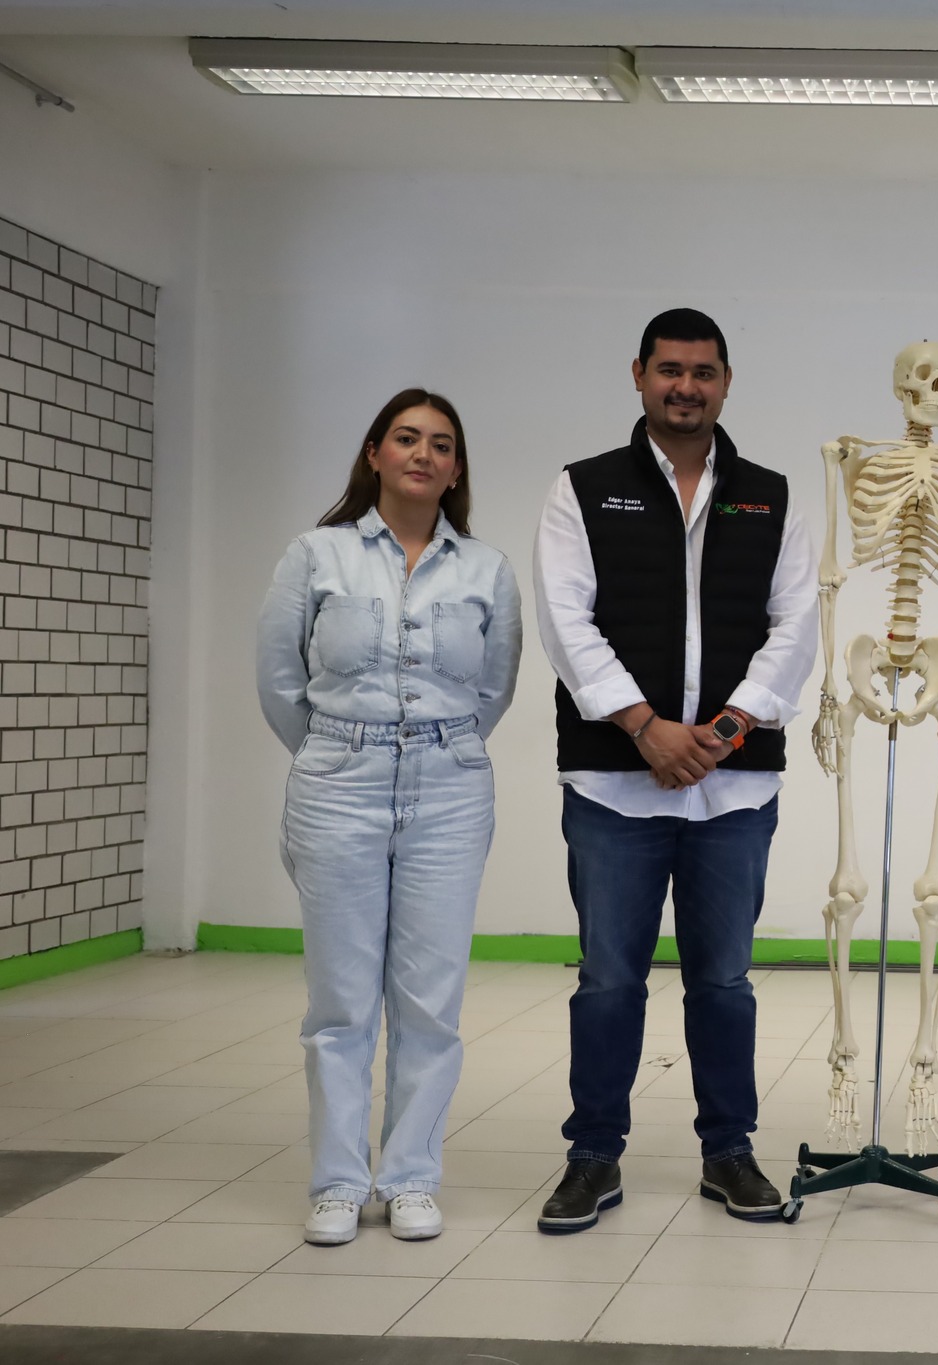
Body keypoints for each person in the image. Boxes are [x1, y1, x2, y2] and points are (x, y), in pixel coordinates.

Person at [532, 308, 818, 1232]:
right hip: (613, 787)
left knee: (724, 982)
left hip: (734, 789)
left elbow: (796, 626)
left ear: (726, 381)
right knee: (608, 981)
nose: (685, 387)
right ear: (639, 375)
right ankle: (593, 1156)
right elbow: (566, 622)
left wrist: (721, 732)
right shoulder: (584, 489)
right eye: (669, 370)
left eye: (702, 372)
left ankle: (729, 1151)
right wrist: (646, 728)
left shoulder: (771, 497)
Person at [257, 389, 522, 1247]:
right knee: (339, 1002)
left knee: (430, 1003)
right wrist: (341, 751)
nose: (423, 454)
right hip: (338, 784)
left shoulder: (486, 570)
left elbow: (492, 690)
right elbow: (280, 681)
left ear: (456, 467)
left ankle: (410, 1177)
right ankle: (338, 1181)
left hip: (450, 790)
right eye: (406, 438)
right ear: (374, 453)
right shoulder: (317, 554)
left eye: (441, 444)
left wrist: (433, 748)